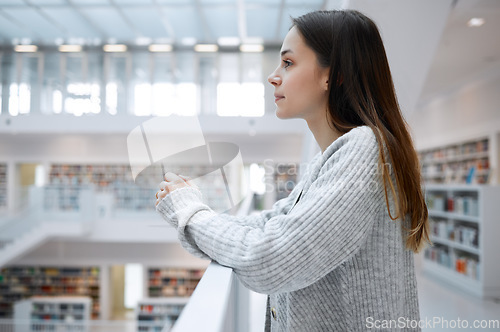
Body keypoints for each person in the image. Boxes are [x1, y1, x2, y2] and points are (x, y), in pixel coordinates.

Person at [155, 9, 430, 332]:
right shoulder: (332, 158)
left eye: (288, 63)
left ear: (334, 74)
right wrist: (190, 210)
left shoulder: (363, 149)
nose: (273, 76)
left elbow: (272, 260)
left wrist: (190, 211)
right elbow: (266, 225)